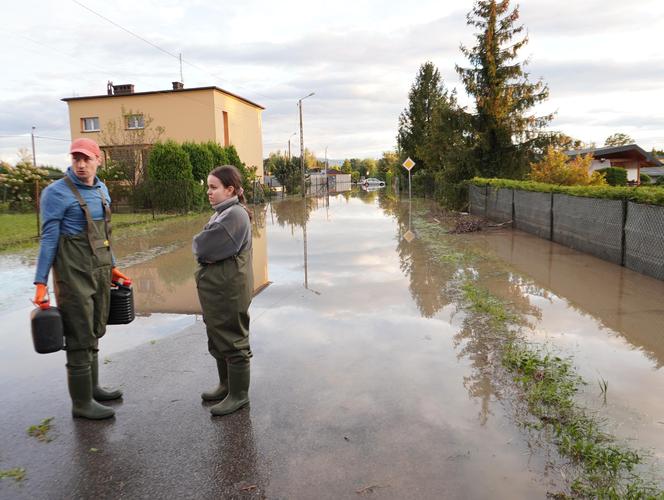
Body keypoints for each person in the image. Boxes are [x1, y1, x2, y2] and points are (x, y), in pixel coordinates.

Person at [33, 137, 131, 420]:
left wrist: (112, 266)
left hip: (99, 270)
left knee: (95, 328)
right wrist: (41, 283)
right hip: (72, 273)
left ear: (98, 160)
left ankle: (93, 388)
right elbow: (49, 238)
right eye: (76, 158)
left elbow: (105, 236)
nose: (80, 164)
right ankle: (81, 403)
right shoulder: (56, 193)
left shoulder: (102, 189)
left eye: (86, 158)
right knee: (78, 334)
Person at [193, 165, 254, 416]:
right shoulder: (221, 212)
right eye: (208, 186)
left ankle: (239, 395)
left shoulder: (234, 215)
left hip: (229, 289)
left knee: (233, 339)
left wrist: (201, 247)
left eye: (213, 187)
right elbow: (207, 247)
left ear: (230, 190)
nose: (208, 192)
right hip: (219, 289)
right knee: (218, 336)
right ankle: (226, 385)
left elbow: (203, 246)